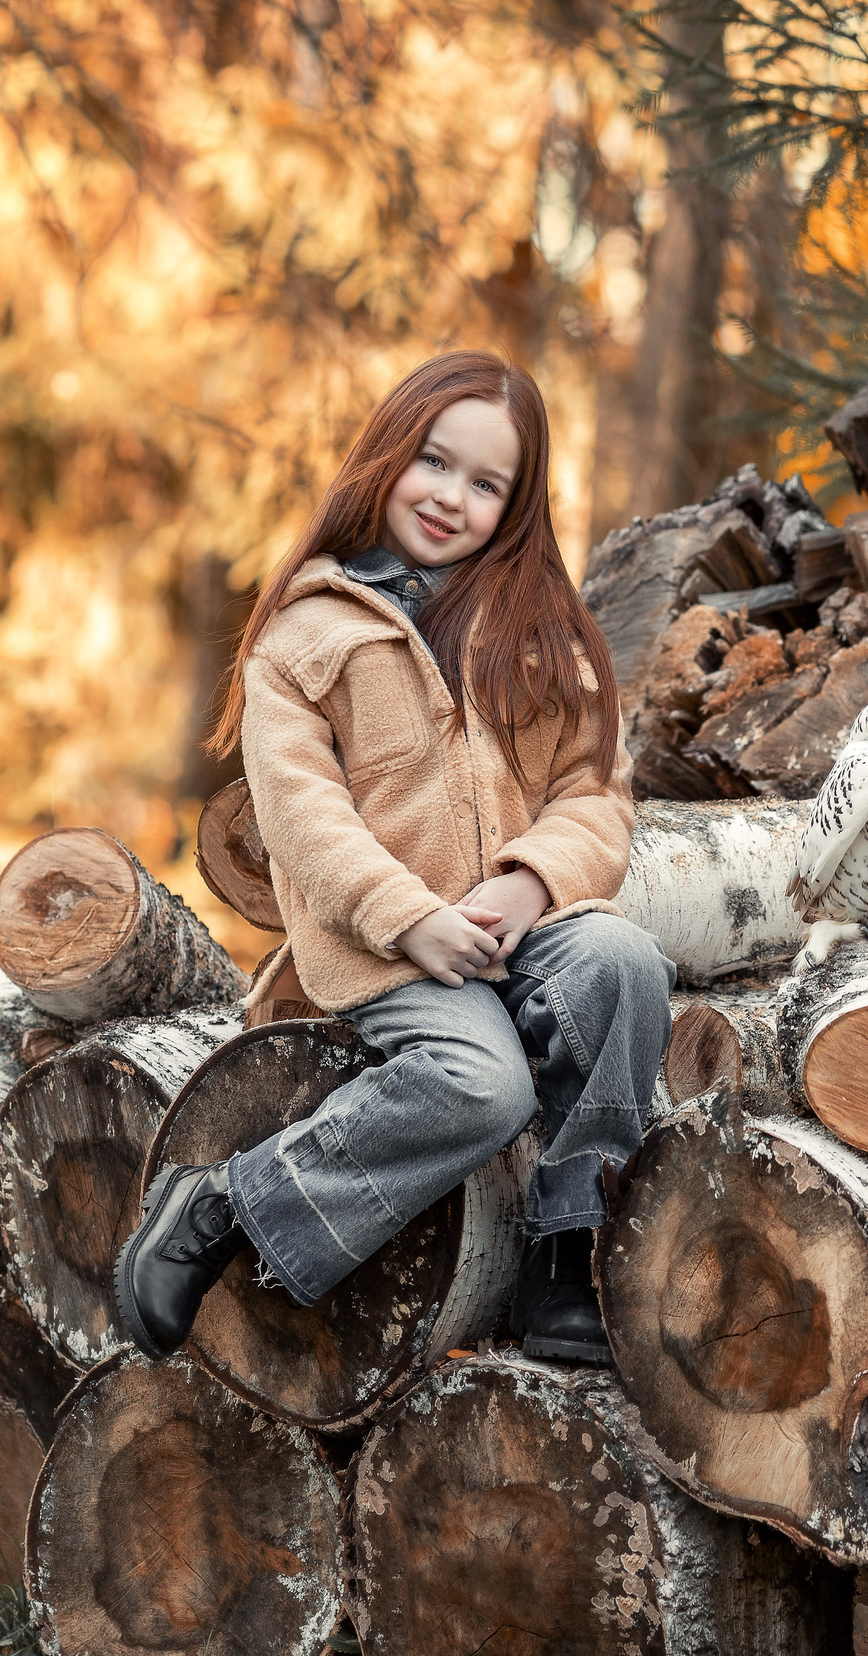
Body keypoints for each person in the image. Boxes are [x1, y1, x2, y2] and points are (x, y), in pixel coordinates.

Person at [109, 350, 672, 1366]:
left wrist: (529, 879)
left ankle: (565, 1250)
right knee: (481, 1086)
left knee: (622, 964)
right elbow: (305, 819)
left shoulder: (542, 635)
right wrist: (410, 915)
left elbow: (594, 794)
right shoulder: (305, 635)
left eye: (486, 483)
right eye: (435, 463)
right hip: (385, 948)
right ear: (387, 458)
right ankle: (226, 1207)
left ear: (517, 503)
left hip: (518, 927)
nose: (452, 498)